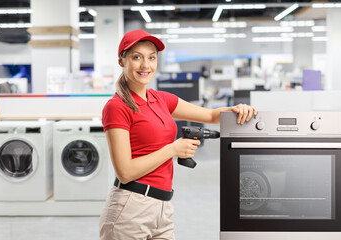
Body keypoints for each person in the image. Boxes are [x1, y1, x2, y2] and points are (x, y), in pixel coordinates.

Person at [99, 29, 257, 240]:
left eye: (151, 57)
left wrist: (237, 109)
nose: (145, 65)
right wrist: (172, 149)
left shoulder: (161, 99)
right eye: (136, 57)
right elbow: (125, 172)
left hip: (162, 207)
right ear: (122, 61)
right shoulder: (116, 107)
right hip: (130, 208)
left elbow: (209, 115)